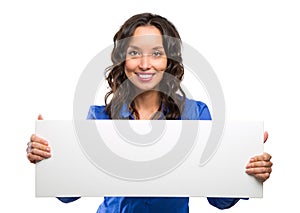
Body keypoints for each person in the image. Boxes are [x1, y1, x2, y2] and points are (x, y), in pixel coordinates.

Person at [27, 13, 273, 212]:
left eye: (156, 53)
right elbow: (70, 195)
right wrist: (49, 158)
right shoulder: (99, 117)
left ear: (169, 60)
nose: (145, 64)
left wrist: (246, 173)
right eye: (135, 53)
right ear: (123, 59)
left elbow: (218, 199)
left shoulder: (195, 114)